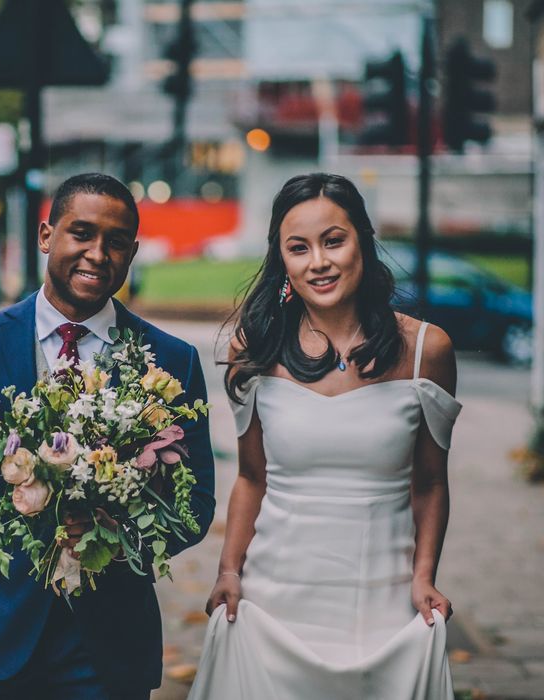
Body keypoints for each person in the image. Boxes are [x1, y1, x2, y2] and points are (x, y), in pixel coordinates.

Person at [0, 173, 216, 700]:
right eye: (82, 233)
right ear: (47, 235)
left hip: (108, 647)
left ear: (132, 252)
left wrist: (118, 539)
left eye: (116, 242)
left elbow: (196, 503)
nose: (97, 253)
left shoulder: (171, 361)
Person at [188, 173, 461, 699]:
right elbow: (251, 476)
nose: (319, 261)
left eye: (333, 240)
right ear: (282, 261)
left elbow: (429, 483)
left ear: (362, 237)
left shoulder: (427, 349)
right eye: (299, 248)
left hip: (381, 603)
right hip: (273, 603)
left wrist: (424, 577)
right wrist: (228, 571)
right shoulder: (256, 346)